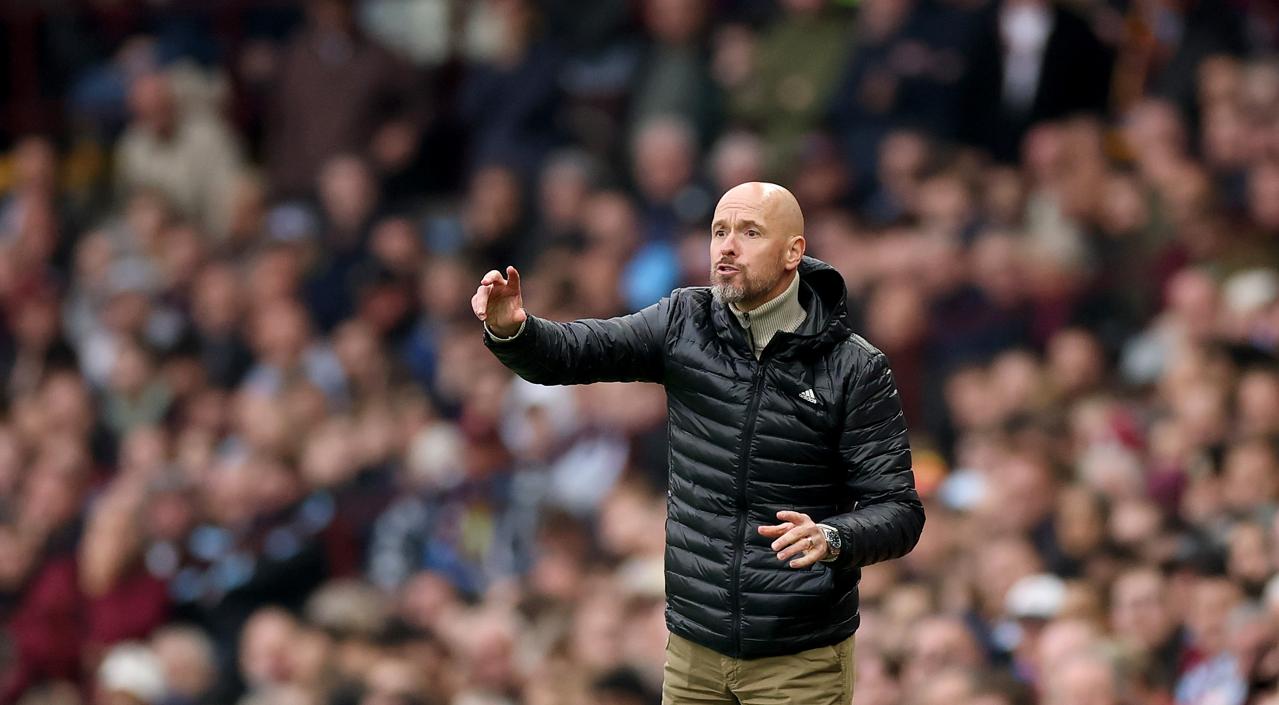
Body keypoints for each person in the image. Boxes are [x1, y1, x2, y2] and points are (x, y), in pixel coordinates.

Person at [472, 181, 925, 703]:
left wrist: (834, 537)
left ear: (793, 252)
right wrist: (515, 332)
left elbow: (899, 510)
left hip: (797, 658)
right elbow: (578, 351)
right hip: (692, 651)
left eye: (749, 232)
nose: (727, 246)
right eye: (719, 231)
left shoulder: (855, 368)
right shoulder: (684, 321)